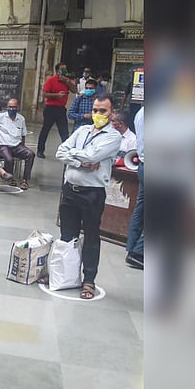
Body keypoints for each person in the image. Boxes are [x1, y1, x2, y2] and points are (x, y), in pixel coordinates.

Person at [55, 94, 122, 299]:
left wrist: (76, 155)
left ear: (112, 113)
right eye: (95, 110)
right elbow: (60, 152)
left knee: (91, 236)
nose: (98, 114)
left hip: (92, 193)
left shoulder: (113, 136)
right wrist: (81, 162)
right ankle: (67, 276)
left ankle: (89, 280)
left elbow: (94, 156)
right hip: (70, 190)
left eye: (103, 111)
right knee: (67, 237)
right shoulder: (82, 130)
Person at [0, 98, 35, 191]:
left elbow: (23, 134)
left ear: (18, 108)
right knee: (9, 158)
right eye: (10, 107)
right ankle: (10, 178)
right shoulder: (1, 117)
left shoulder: (21, 119)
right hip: (3, 145)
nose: (12, 109)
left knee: (30, 154)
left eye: (14, 107)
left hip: (17, 145)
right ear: (7, 108)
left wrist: (23, 146)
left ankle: (25, 180)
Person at [36, 62, 77, 158]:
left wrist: (67, 81)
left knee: (64, 131)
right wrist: (57, 95)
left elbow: (74, 90)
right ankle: (40, 150)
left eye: (65, 69)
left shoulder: (67, 80)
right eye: (62, 69)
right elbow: (45, 94)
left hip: (61, 109)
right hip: (50, 108)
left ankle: (67, 151)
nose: (64, 71)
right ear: (57, 70)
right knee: (45, 130)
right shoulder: (51, 80)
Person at [125, 107, 144, 269]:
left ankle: (132, 248)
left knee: (141, 209)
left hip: (144, 165)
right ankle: (139, 252)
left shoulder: (141, 113)